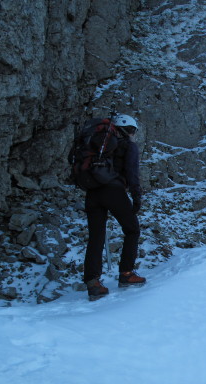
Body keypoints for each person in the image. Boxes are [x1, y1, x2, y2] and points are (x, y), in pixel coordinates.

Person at [83, 114, 146, 301]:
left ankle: (93, 283)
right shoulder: (127, 145)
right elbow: (133, 174)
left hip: (92, 191)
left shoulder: (97, 145)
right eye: (133, 131)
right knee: (132, 230)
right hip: (114, 190)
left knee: (96, 236)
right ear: (128, 130)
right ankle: (126, 274)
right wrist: (136, 198)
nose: (134, 135)